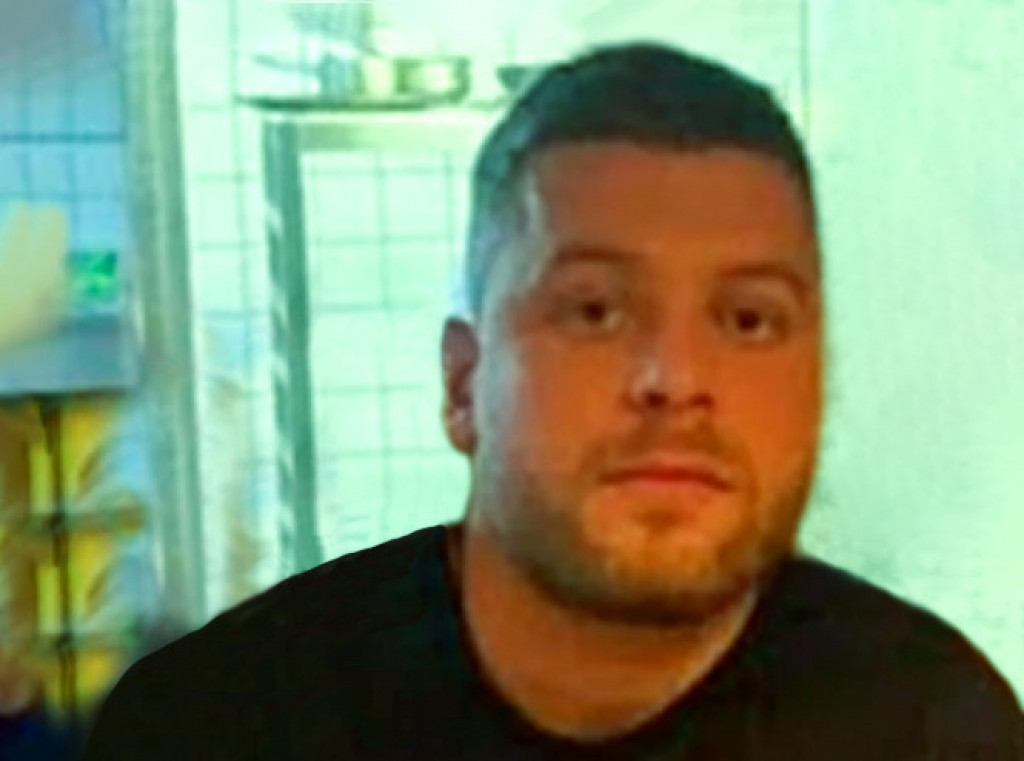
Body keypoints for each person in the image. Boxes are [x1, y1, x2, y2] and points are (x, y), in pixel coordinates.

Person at [84, 42, 1024, 759]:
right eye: (594, 310)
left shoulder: (932, 727)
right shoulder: (220, 725)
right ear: (464, 384)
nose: (675, 378)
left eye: (749, 319)